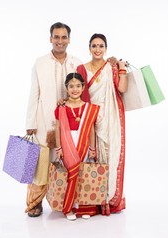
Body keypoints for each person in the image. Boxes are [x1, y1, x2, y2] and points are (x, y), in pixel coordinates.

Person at [25, 22, 82, 217]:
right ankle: (35, 203)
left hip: (69, 125)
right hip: (43, 122)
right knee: (40, 165)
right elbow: (34, 94)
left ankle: (63, 200)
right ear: (50, 39)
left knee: (64, 163)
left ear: (69, 40)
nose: (60, 41)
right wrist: (30, 123)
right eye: (56, 37)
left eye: (63, 37)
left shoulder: (77, 62)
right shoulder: (40, 63)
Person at [77, 33, 128, 215]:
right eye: (94, 46)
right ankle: (93, 200)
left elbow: (121, 89)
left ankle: (108, 200)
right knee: (93, 156)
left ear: (106, 48)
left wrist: (121, 68)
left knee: (110, 156)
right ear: (89, 48)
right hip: (90, 117)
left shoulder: (111, 67)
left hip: (110, 116)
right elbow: (77, 94)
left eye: (101, 46)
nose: (97, 49)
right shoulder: (81, 68)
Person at [54, 72, 99, 220]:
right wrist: (59, 148)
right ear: (66, 88)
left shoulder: (88, 108)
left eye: (78, 86)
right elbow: (58, 128)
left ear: (83, 87)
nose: (75, 89)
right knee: (71, 175)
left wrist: (92, 148)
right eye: (71, 86)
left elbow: (91, 129)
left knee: (82, 174)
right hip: (67, 143)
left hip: (84, 142)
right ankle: (69, 208)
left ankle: (84, 207)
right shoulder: (62, 107)